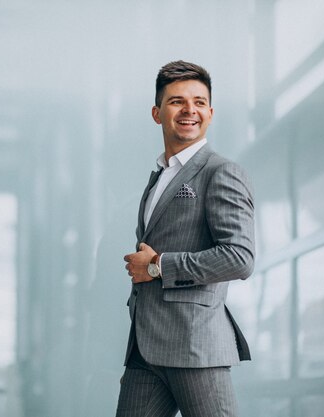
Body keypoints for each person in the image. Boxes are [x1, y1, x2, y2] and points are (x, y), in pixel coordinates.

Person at [116, 60, 255, 417]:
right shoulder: (158, 177)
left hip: (195, 344)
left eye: (198, 101)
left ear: (210, 112)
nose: (189, 109)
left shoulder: (221, 172)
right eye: (177, 101)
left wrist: (159, 266)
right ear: (157, 112)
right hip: (146, 349)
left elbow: (240, 257)